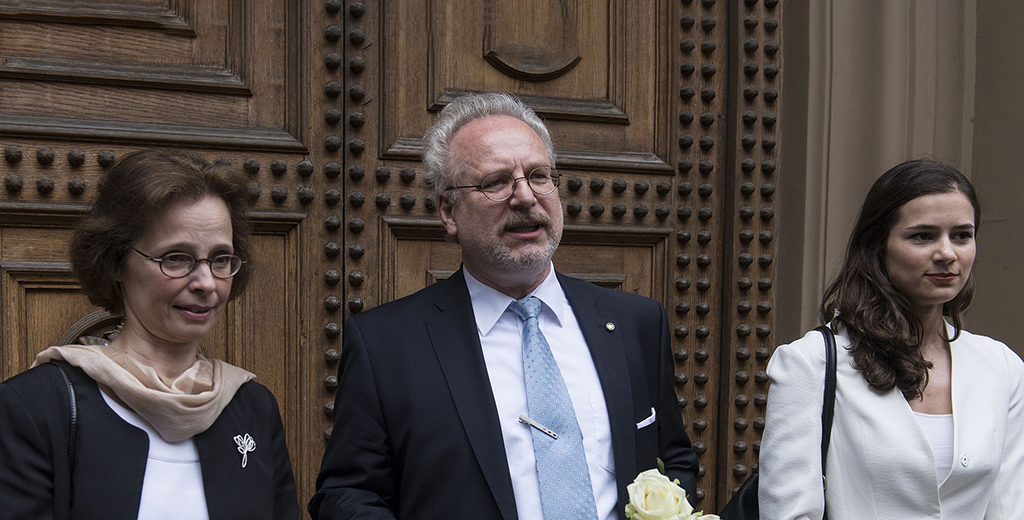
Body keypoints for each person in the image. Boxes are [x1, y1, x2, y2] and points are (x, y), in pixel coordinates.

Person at [309, 92, 699, 520]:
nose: (525, 197)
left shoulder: (634, 323)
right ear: (449, 211)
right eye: (496, 182)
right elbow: (348, 495)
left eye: (538, 175)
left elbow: (673, 463)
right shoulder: (386, 345)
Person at [0, 150, 299, 519]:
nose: (206, 283)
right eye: (176, 258)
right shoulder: (35, 406)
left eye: (220, 259)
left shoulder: (253, 408)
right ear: (116, 262)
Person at [758, 160, 1024, 519]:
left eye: (962, 235)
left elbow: (1010, 507)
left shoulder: (1001, 366)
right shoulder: (811, 362)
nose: (947, 253)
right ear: (877, 245)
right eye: (923, 236)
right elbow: (789, 513)